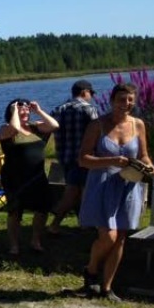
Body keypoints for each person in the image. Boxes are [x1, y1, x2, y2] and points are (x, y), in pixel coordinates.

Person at [77, 83, 154, 302]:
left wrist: (149, 166)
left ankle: (107, 287)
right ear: (112, 100)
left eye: (130, 100)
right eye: (122, 99)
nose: (126, 104)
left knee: (120, 238)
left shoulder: (138, 125)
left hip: (128, 185)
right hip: (102, 185)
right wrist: (112, 160)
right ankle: (91, 269)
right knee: (108, 236)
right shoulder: (97, 125)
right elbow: (83, 159)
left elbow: (144, 155)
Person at [0, 98, 59, 256]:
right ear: (13, 112)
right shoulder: (6, 129)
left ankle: (36, 240)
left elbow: (54, 125)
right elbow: (15, 127)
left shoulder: (36, 127)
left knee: (42, 208)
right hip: (15, 178)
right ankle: (14, 246)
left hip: (37, 176)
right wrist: (14, 112)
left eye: (27, 110)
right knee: (15, 212)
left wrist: (38, 110)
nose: (25, 112)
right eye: (21, 110)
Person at [48, 80, 99, 234]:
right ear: (84, 92)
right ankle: (55, 224)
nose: (91, 97)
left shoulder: (59, 109)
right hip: (84, 158)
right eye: (91, 93)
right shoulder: (89, 109)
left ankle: (84, 223)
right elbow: (97, 133)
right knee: (76, 192)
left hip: (65, 158)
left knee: (76, 191)